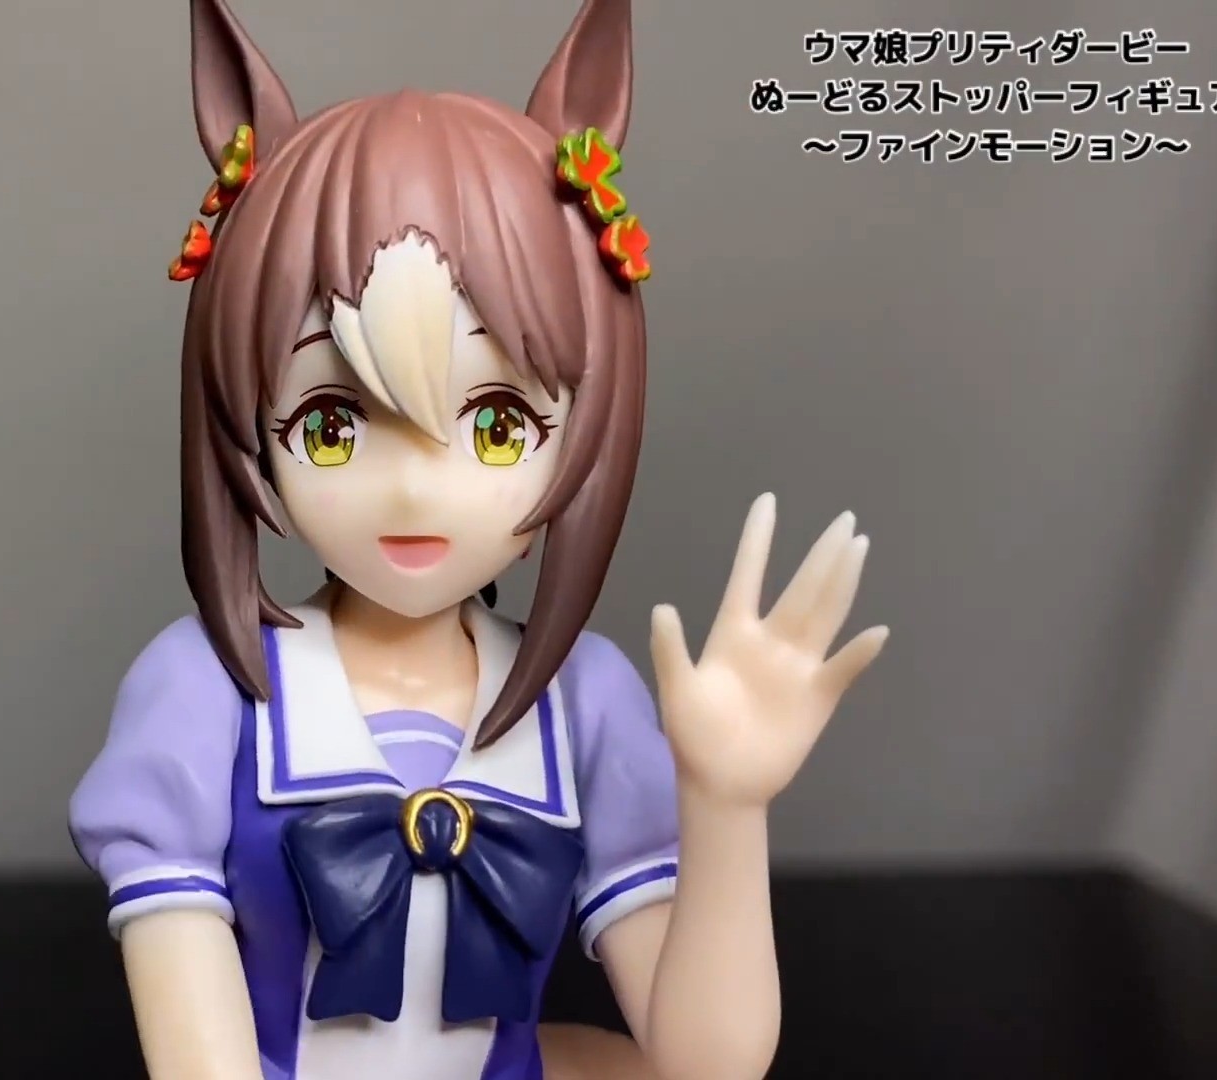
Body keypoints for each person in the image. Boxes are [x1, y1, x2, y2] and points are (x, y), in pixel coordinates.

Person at [69, 2, 889, 1077]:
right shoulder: (209, 693)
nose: (416, 486)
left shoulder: (583, 701)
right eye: (332, 426)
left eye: (499, 427)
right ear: (249, 427)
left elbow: (712, 1061)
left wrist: (728, 807)